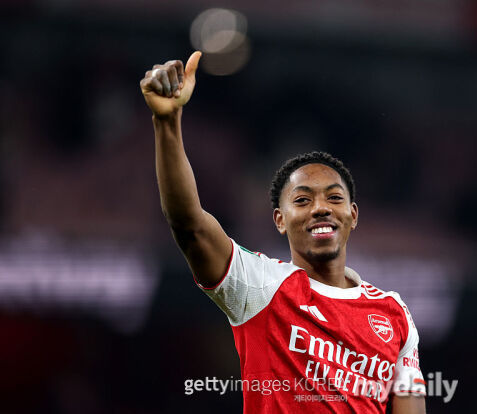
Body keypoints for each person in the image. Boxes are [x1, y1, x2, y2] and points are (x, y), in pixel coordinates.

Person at [140, 51, 427, 413]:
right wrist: (167, 123)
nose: (321, 208)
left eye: (334, 197)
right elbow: (190, 226)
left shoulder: (394, 313)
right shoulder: (260, 286)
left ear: (353, 215)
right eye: (302, 200)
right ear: (279, 220)